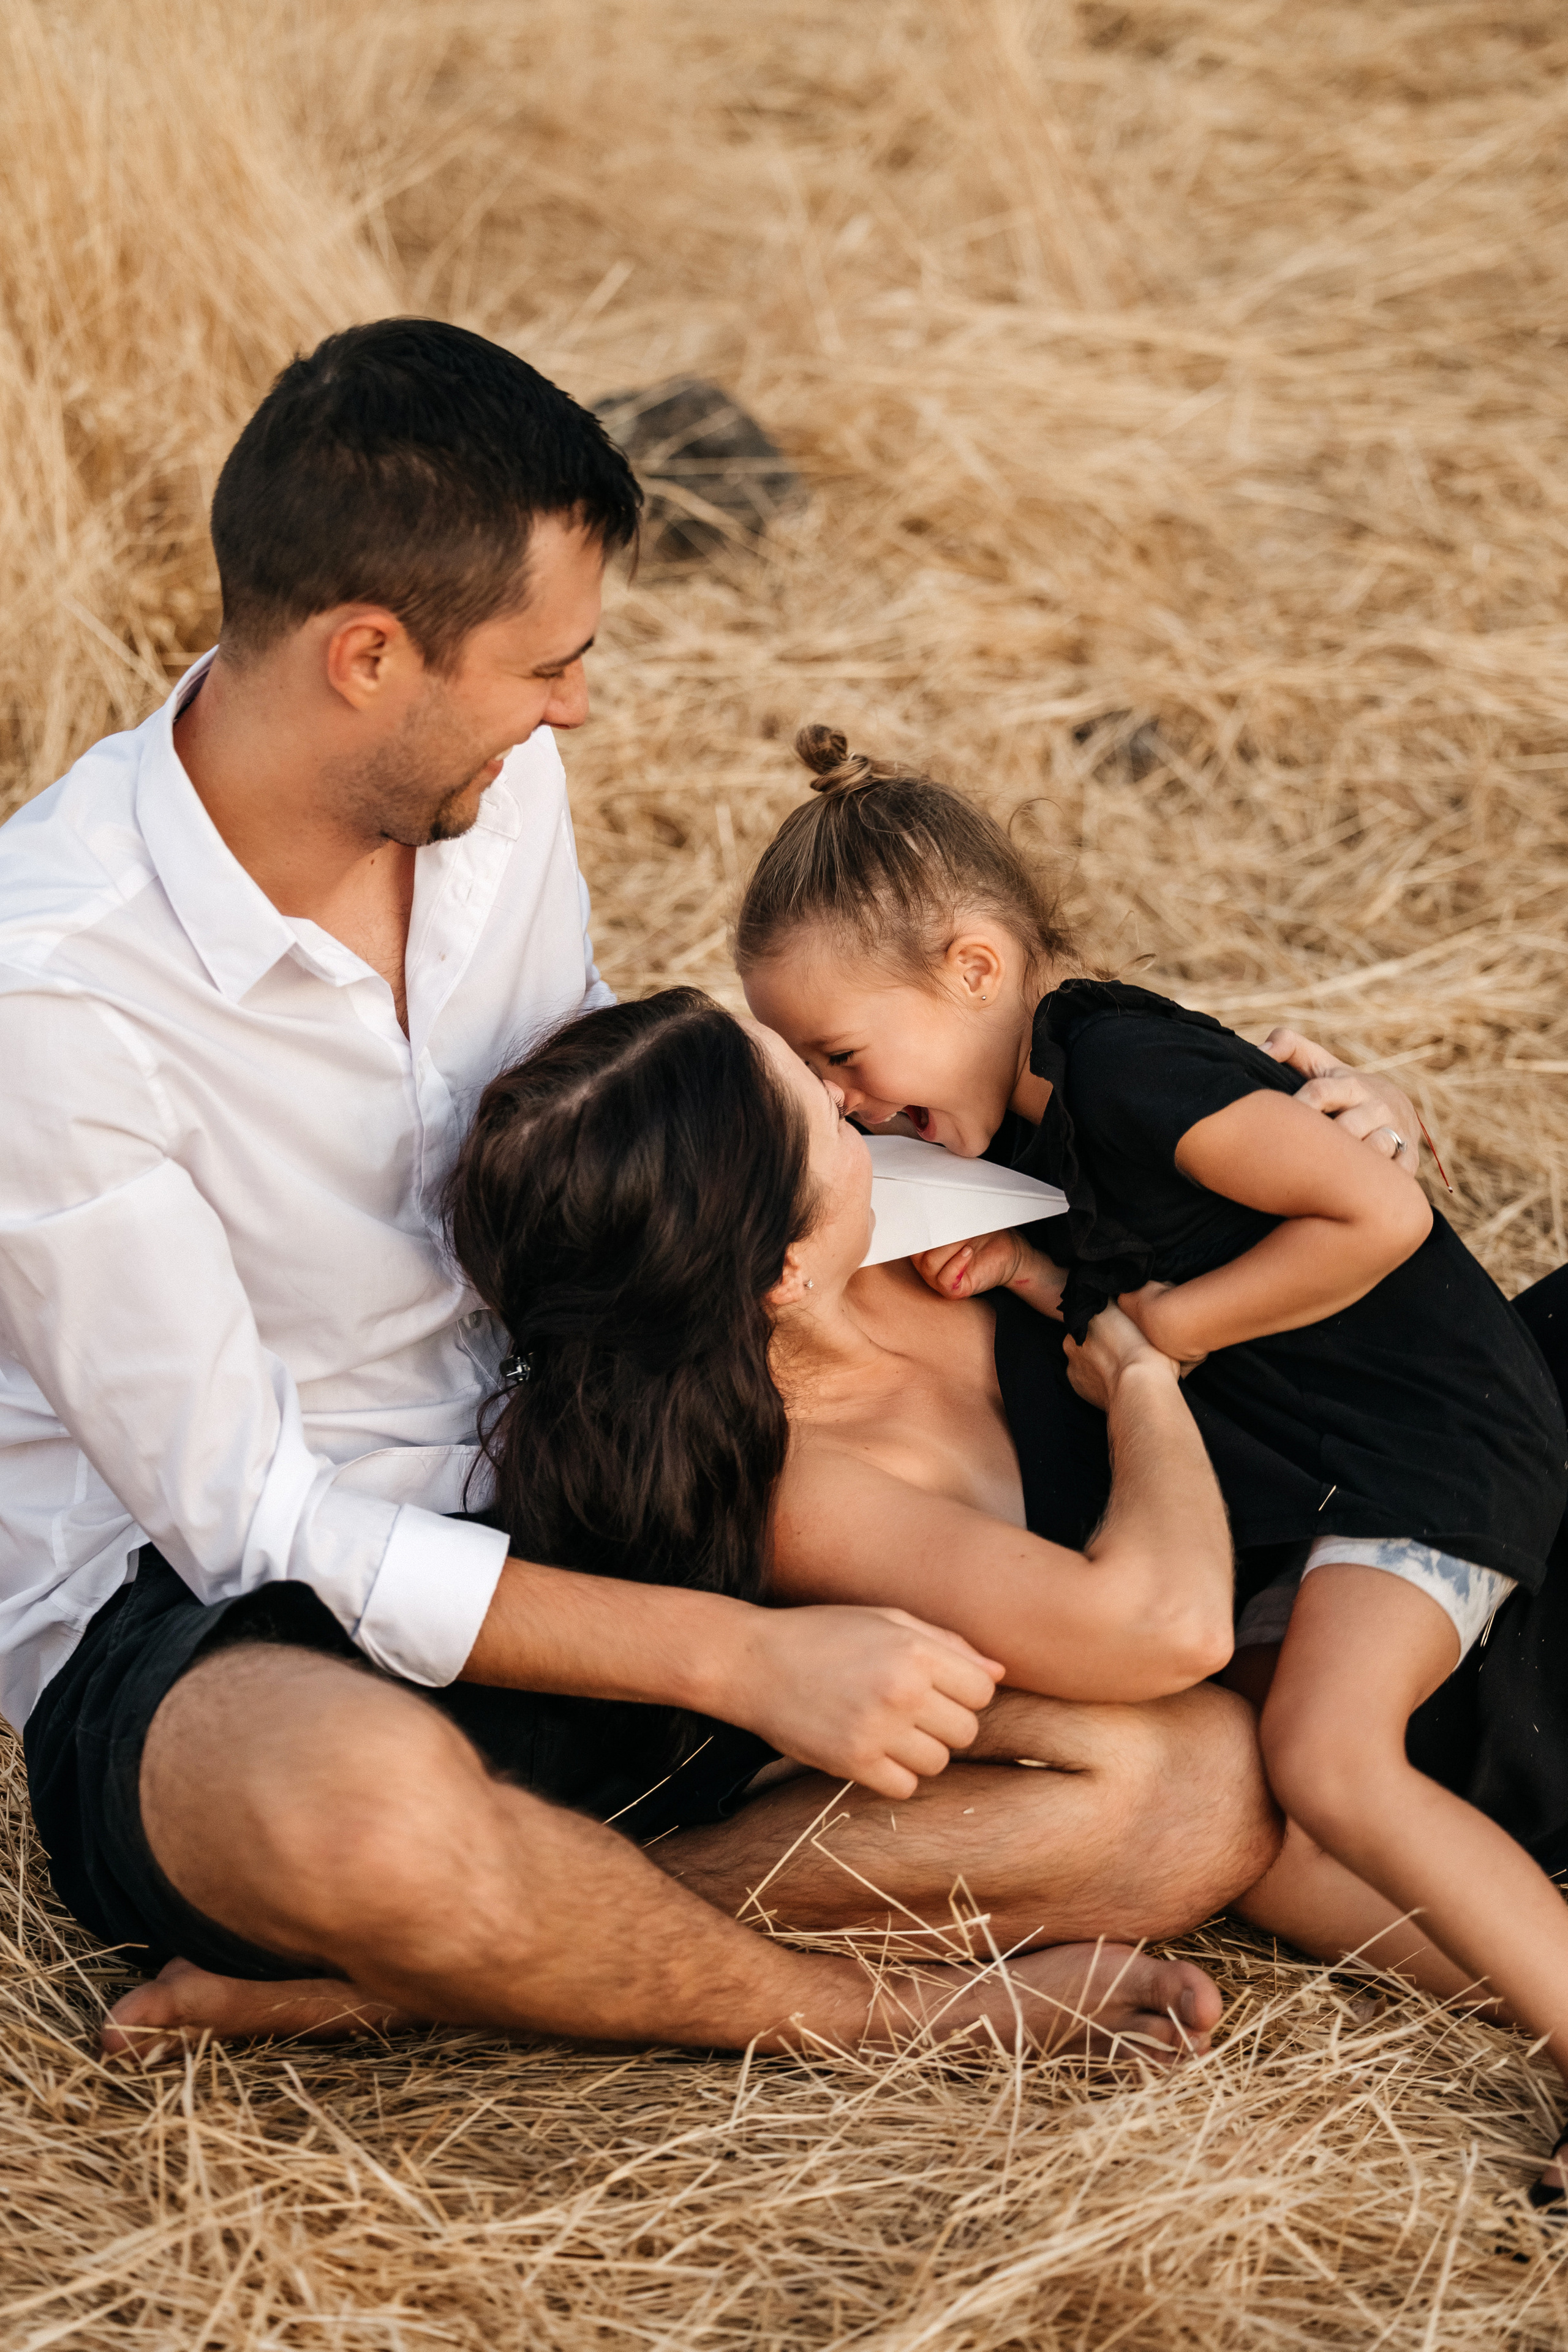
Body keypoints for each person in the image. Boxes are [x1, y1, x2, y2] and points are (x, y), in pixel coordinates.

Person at [0, 319, 1279, 2065]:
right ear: (368, 654)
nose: (574, 709)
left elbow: (624, 1129)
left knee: (1186, 1790)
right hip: (225, 1622)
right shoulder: (53, 996)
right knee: (355, 1814)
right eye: (544, 665)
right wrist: (733, 1663)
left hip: (592, 1469)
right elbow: (250, 1520)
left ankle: (426, 1960)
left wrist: (1261, 1123)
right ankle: (868, 2016)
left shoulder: (498, 790)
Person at [737, 721, 1568, 2177]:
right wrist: (1034, 1283)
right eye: (811, 1078)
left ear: (973, 968)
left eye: (841, 1057)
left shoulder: (1112, 1073)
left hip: (1419, 1453)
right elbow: (1121, 1315)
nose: (845, 1103)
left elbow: (1369, 1219)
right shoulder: (1020, 1126)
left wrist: (1172, 1326)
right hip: (1315, 1482)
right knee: (1287, 1833)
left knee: (1325, 1758)